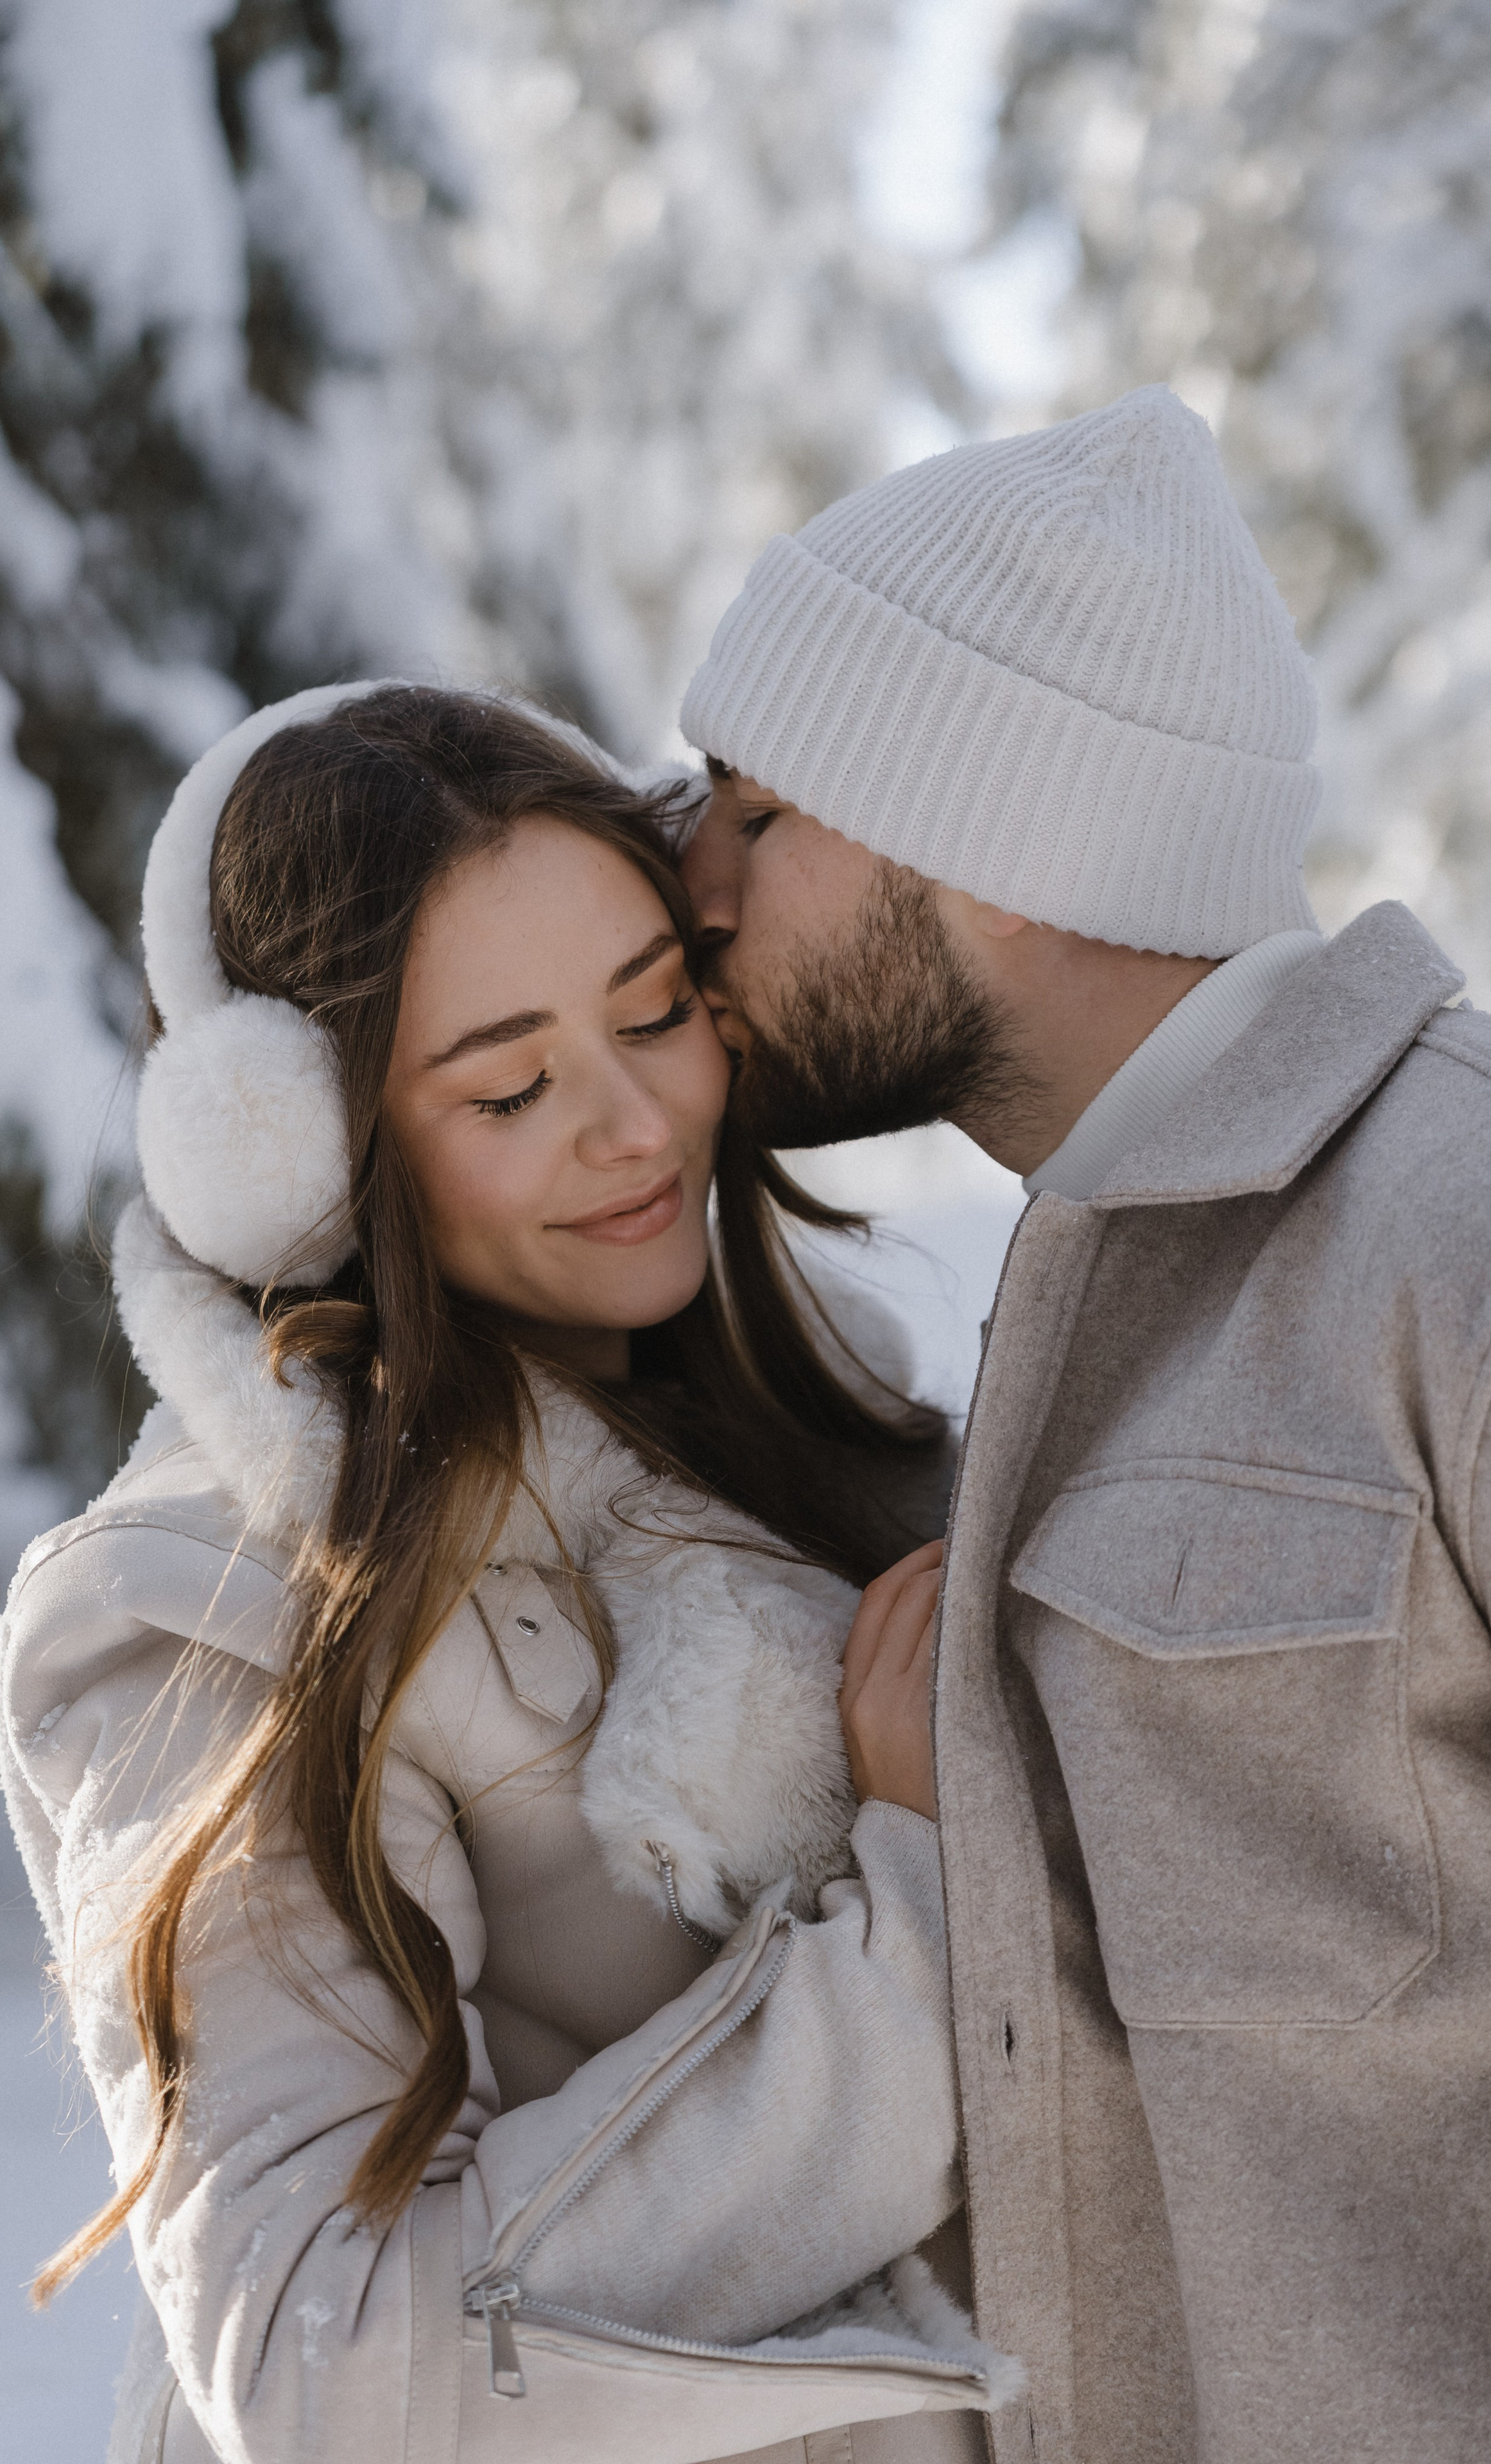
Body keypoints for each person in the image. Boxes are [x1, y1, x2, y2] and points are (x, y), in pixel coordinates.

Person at [0, 684, 1024, 2464]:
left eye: (657, 1013)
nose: (634, 1126)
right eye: (515, 1085)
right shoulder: (206, 1605)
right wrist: (913, 1934)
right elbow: (332, 2366)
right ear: (301, 1155)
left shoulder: (849, 1435)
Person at [676, 383, 1491, 2464]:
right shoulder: (1080, 1288)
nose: (689, 885)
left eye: (760, 815)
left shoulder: (1454, 1233)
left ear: (1011, 850)